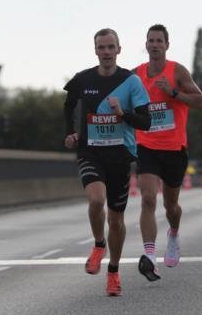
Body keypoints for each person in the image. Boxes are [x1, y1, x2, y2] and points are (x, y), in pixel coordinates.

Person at [63, 29, 151, 297]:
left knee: (116, 218)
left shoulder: (131, 81)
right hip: (91, 152)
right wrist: (70, 132)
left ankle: (113, 271)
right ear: (95, 51)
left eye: (111, 47)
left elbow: (145, 122)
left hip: (120, 156)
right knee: (96, 201)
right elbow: (69, 104)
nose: (106, 52)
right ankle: (99, 244)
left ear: (119, 50)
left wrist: (122, 114)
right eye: (102, 47)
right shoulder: (83, 79)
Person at [134, 24, 202, 280]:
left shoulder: (177, 71)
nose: (154, 45)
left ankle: (173, 234)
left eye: (159, 41)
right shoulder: (137, 75)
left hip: (174, 148)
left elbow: (200, 101)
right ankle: (150, 256)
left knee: (171, 206)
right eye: (150, 40)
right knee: (148, 200)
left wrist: (173, 92)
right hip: (146, 146)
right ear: (146, 45)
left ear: (167, 45)